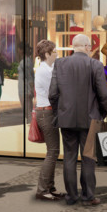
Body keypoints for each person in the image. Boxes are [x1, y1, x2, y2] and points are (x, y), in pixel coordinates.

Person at [50, 33, 107, 206]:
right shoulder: (95, 64)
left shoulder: (59, 64)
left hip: (66, 118)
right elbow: (104, 95)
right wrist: (102, 113)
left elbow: (52, 94)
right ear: (88, 47)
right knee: (89, 158)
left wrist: (59, 112)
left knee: (69, 157)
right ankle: (88, 196)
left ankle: (71, 196)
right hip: (90, 118)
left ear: (72, 46)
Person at [32, 39, 62, 201]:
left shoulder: (47, 69)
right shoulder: (44, 71)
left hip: (47, 112)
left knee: (54, 151)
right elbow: (54, 92)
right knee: (52, 152)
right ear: (47, 54)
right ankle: (43, 189)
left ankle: (50, 187)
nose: (57, 54)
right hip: (46, 113)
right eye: (55, 51)